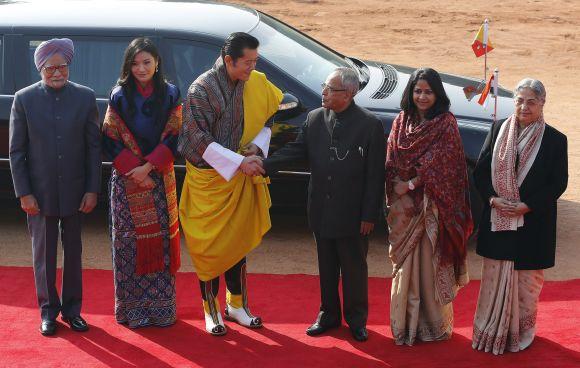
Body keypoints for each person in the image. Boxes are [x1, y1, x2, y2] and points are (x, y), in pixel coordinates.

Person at [264, 67, 385, 342]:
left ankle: (356, 319)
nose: (324, 93)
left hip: (353, 215)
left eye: (331, 89)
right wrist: (264, 164)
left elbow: (375, 176)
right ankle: (328, 314)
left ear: (349, 94)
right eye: (325, 87)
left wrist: (369, 215)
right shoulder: (315, 118)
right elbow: (296, 151)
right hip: (321, 209)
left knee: (354, 269)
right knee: (327, 267)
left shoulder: (369, 125)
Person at [178, 32, 283, 336]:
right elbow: (196, 138)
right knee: (208, 246)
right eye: (247, 62)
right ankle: (210, 309)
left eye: (255, 61)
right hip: (208, 179)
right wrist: (239, 162)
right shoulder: (202, 89)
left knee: (236, 243)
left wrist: (257, 147)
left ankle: (237, 305)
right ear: (228, 61)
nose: (253, 67)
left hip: (239, 174)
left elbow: (271, 114)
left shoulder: (255, 82)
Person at [9, 38, 101, 336]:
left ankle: (73, 311)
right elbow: (17, 152)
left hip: (76, 192)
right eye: (50, 68)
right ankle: (48, 311)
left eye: (62, 66)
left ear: (69, 66)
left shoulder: (86, 98)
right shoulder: (23, 99)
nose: (57, 73)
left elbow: (93, 149)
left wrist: (92, 189)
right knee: (44, 257)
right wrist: (24, 193)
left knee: (73, 253)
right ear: (40, 69)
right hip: (40, 193)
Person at [472, 78, 568, 355]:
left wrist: (527, 205)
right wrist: (492, 199)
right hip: (499, 221)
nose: (524, 107)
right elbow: (479, 172)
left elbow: (557, 183)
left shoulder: (555, 140)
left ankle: (520, 334)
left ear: (542, 104)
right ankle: (491, 331)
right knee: (494, 279)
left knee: (526, 284)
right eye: (519, 100)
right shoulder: (498, 129)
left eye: (531, 102)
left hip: (532, 225)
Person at [385, 67, 473, 346]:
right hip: (404, 209)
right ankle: (405, 326)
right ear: (410, 93)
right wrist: (399, 189)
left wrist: (411, 185)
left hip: (430, 209)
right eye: (418, 90)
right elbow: (391, 160)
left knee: (425, 267)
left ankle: (429, 326)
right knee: (404, 267)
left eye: (428, 91)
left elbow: (447, 167)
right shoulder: (401, 121)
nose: (422, 96)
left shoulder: (445, 123)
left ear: (438, 94)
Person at [102, 38, 181, 328]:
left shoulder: (171, 94)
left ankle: (162, 310)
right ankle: (131, 311)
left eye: (147, 62)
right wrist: (135, 170)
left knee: (159, 244)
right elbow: (108, 138)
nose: (141, 68)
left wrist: (149, 167)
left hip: (158, 177)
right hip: (126, 181)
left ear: (157, 62)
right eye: (135, 63)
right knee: (127, 245)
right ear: (128, 65)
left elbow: (175, 135)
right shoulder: (118, 95)